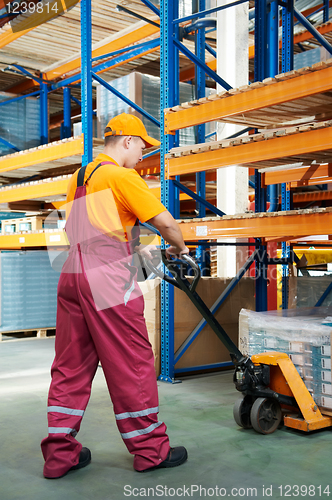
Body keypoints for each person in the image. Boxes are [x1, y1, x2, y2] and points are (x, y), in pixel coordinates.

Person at [41, 113, 189, 479]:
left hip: (72, 273)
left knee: (70, 365)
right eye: (142, 146)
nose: (143, 154)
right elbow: (166, 223)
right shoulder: (123, 176)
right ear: (126, 141)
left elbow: (85, 231)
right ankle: (151, 449)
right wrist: (178, 250)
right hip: (107, 278)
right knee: (132, 361)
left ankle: (60, 455)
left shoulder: (80, 176)